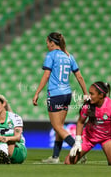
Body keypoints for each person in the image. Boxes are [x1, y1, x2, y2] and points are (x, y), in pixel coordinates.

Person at [32, 32, 88, 163]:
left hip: (55, 94)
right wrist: (85, 93)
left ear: (52, 42)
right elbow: (79, 76)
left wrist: (37, 93)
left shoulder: (51, 55)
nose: (46, 44)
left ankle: (78, 150)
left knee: (57, 127)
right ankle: (55, 157)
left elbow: (46, 75)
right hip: (67, 95)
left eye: (47, 42)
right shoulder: (69, 56)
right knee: (60, 127)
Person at [65, 81, 111, 167]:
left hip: (106, 138)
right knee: (68, 162)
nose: (89, 96)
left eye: (92, 94)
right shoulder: (87, 106)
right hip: (89, 137)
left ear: (101, 95)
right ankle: (82, 153)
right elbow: (80, 122)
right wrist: (77, 141)